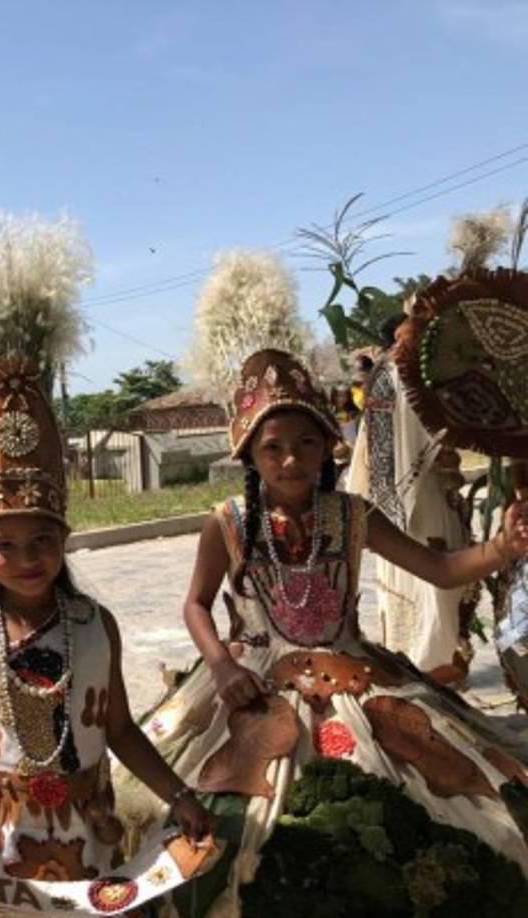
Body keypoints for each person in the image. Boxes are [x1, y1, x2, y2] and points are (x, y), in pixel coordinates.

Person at [127, 350, 528, 915]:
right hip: (253, 681)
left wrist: (500, 549)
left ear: (327, 446)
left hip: (356, 677)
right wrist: (220, 664)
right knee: (201, 823)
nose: (291, 460)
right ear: (248, 453)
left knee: (452, 798)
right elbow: (194, 604)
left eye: (306, 444)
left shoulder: (353, 516)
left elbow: (438, 571)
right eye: (274, 447)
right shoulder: (227, 523)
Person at [0, 333, 210, 904]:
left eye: (43, 541)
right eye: (6, 544)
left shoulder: (93, 624)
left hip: (92, 835)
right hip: (7, 843)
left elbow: (121, 731)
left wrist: (178, 796)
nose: (28, 559)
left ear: (64, 539)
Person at [347, 315, 478, 683]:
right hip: (419, 501)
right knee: (433, 580)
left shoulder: (385, 377)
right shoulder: (401, 376)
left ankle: (431, 667)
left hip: (408, 501)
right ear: (398, 337)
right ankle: (433, 669)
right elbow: (426, 434)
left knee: (426, 583)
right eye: (413, 331)